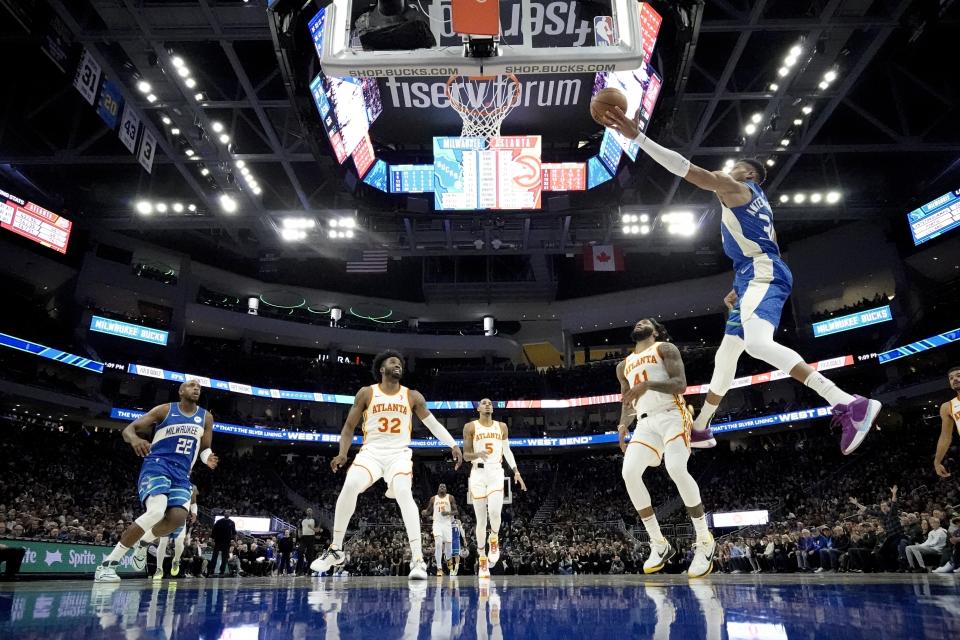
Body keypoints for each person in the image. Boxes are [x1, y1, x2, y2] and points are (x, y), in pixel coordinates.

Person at [601, 109, 882, 455]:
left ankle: (846, 402)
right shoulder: (761, 206)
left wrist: (638, 137)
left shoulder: (737, 187)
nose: (729, 169)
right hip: (756, 273)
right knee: (726, 355)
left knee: (757, 344)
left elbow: (690, 172)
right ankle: (702, 427)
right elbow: (769, 246)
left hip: (762, 272)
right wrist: (744, 281)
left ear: (749, 173)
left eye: (737, 166)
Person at [311, 350, 464, 580]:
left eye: (400, 362)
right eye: (393, 362)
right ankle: (336, 549)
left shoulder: (412, 396)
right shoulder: (366, 393)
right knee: (350, 484)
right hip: (371, 452)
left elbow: (432, 423)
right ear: (381, 369)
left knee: (404, 492)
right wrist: (342, 453)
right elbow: (349, 427)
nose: (398, 364)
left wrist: (453, 444)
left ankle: (418, 560)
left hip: (398, 454)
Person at [617, 318, 715, 578]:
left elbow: (680, 385)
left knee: (675, 467)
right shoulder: (622, 365)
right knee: (629, 473)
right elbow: (628, 400)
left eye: (646, 321)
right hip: (645, 422)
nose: (640, 323)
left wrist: (647, 384)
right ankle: (659, 543)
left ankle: (704, 539)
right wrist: (623, 424)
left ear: (656, 331)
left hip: (673, 414)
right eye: (637, 322)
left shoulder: (665, 349)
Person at [95, 380, 218, 582]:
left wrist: (208, 458)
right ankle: (108, 564)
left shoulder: (206, 417)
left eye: (199, 387)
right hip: (157, 465)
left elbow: (204, 447)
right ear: (181, 390)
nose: (196, 389)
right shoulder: (165, 410)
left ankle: (143, 543)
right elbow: (129, 430)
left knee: (177, 518)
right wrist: (135, 440)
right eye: (191, 385)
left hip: (182, 473)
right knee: (156, 511)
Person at [462, 398, 527, 579]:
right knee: (481, 520)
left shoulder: (502, 427)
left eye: (490, 403)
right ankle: (482, 559)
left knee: (496, 513)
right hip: (478, 474)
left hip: (496, 473)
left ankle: (494, 538)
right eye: (483, 403)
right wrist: (477, 454)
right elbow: (466, 455)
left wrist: (516, 472)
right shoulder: (470, 427)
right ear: (478, 409)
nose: (487, 404)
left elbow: (507, 451)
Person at [153, 484, 198, 579]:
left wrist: (194, 513)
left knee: (179, 543)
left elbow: (193, 503)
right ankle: (159, 568)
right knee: (163, 542)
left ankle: (176, 560)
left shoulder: (192, 487)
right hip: (166, 517)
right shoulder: (168, 482)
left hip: (180, 518)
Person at [422, 483, 459, 576]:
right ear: (438, 489)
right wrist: (424, 512)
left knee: (448, 549)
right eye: (440, 486)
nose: (442, 487)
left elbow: (456, 511)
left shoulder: (450, 497)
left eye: (444, 486)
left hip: (447, 524)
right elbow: (429, 511)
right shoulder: (433, 499)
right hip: (437, 524)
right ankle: (439, 568)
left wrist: (447, 513)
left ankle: (449, 563)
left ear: (446, 489)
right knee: (438, 543)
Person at [934, 366, 960, 478]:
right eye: (951, 378)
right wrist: (937, 462)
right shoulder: (947, 407)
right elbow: (945, 437)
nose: (954, 379)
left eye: (959, 376)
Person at [210, 511, 237, 576]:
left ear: (229, 514)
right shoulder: (219, 521)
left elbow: (234, 532)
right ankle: (211, 571)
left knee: (224, 558)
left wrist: (233, 540)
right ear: (224, 514)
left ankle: (222, 572)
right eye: (226, 512)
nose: (227, 513)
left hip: (226, 542)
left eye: (228, 513)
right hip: (218, 541)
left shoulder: (232, 522)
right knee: (214, 557)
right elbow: (214, 530)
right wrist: (212, 539)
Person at [299, 508, 318, 575]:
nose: (309, 512)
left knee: (310, 555)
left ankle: (309, 571)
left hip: (311, 537)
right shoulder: (303, 520)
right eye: (308, 511)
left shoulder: (314, 520)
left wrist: (312, 528)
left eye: (310, 511)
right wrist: (299, 534)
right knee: (300, 552)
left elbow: (317, 530)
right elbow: (299, 528)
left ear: (312, 512)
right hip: (304, 537)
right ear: (306, 512)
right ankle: (299, 571)